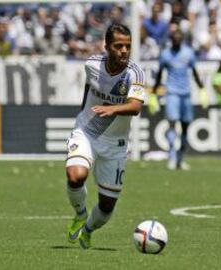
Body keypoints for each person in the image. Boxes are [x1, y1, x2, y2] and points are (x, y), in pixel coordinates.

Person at [65, 23, 145, 249]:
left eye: (127, 46)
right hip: (87, 133)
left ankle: (88, 229)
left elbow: (136, 106)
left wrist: (112, 109)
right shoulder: (92, 65)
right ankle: (80, 214)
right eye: (118, 46)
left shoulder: (134, 73)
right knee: (75, 176)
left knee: (107, 206)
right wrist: (82, 115)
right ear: (107, 46)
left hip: (115, 145)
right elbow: (88, 89)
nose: (124, 51)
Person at [150, 29, 207, 170]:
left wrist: (202, 88)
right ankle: (172, 156)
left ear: (181, 39)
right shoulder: (165, 55)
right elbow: (159, 74)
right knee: (172, 123)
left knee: (186, 127)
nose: (176, 40)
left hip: (186, 94)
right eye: (174, 38)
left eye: (179, 38)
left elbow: (194, 71)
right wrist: (153, 93)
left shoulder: (188, 53)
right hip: (172, 93)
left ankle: (180, 159)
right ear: (171, 39)